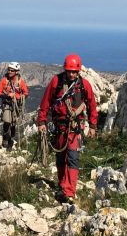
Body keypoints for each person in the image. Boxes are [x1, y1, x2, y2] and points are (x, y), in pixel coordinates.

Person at [38, 54, 97, 203]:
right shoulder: (56, 82)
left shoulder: (84, 85)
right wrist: (42, 122)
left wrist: (93, 125)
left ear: (78, 71)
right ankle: (63, 184)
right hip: (59, 127)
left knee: (72, 158)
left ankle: (69, 192)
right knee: (60, 158)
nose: (71, 74)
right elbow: (45, 102)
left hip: (75, 128)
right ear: (65, 70)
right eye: (69, 71)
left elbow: (92, 105)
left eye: (74, 72)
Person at [0, 62, 29, 151]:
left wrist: (17, 97)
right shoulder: (4, 80)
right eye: (9, 70)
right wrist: (7, 96)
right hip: (7, 104)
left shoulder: (20, 82)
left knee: (13, 123)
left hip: (16, 105)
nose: (9, 71)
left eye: (12, 70)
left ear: (16, 72)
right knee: (7, 121)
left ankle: (10, 141)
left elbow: (26, 93)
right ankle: (5, 138)